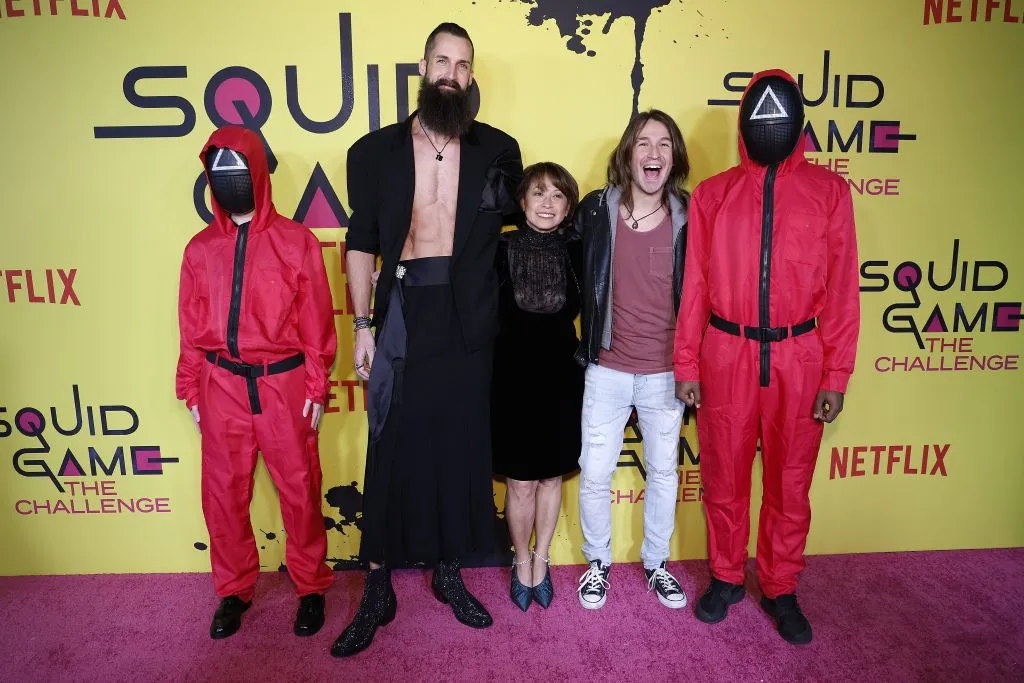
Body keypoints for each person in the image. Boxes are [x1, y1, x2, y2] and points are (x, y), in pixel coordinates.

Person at [331, 22, 523, 658]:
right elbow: (360, 242)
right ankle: (377, 585)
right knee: (388, 446)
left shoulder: (500, 150)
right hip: (403, 310)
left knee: (459, 445)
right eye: (441, 60)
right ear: (422, 67)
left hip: (469, 316)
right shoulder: (374, 152)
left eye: (462, 64)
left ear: (472, 75)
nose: (451, 72)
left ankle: (448, 571)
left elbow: (529, 228)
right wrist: (362, 326)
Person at [674, 69, 860, 645]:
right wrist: (686, 363)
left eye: (780, 118)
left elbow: (843, 289)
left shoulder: (829, 193)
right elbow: (696, 286)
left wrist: (837, 373)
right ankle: (727, 577)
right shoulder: (713, 194)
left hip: (799, 355)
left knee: (790, 481)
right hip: (725, 352)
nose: (770, 127)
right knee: (724, 478)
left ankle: (780, 585)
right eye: (760, 117)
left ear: (799, 125)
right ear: (743, 124)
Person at [176, 125, 337, 640]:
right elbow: (189, 324)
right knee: (222, 495)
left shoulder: (296, 242)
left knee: (300, 490)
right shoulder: (199, 250)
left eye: (238, 169)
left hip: (283, 384)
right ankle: (233, 589)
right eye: (217, 171)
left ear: (259, 173)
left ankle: (311, 587)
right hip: (220, 386)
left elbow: (317, 323)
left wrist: (315, 386)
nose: (229, 180)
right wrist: (189, 385)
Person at [573, 110, 691, 611]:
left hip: (666, 372)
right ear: (628, 153)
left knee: (664, 473)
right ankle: (596, 563)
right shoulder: (596, 209)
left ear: (674, 158)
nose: (654, 153)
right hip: (608, 368)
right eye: (644, 143)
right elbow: (561, 263)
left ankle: (656, 562)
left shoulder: (690, 215)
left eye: (664, 144)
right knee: (595, 472)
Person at [491, 162, 583, 612]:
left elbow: (605, 300)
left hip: (563, 377)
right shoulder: (498, 246)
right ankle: (520, 558)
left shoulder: (578, 248)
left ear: (568, 206)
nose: (547, 203)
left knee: (550, 476)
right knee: (520, 481)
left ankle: (541, 560)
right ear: (522, 200)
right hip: (509, 377)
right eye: (538, 194)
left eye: (558, 195)